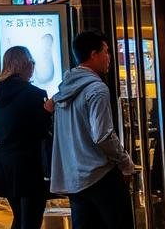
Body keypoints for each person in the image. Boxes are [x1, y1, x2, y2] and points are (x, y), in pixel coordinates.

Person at [50, 30, 134, 229]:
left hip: (75, 180)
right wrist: (126, 162)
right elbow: (103, 135)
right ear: (93, 54)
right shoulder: (97, 89)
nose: (109, 57)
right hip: (101, 176)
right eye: (105, 51)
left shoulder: (63, 91)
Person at [0, 45, 53, 229]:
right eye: (31, 62)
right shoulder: (35, 94)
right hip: (29, 164)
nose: (33, 66)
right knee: (31, 219)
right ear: (25, 65)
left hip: (4, 164)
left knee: (19, 216)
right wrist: (47, 112)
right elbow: (41, 130)